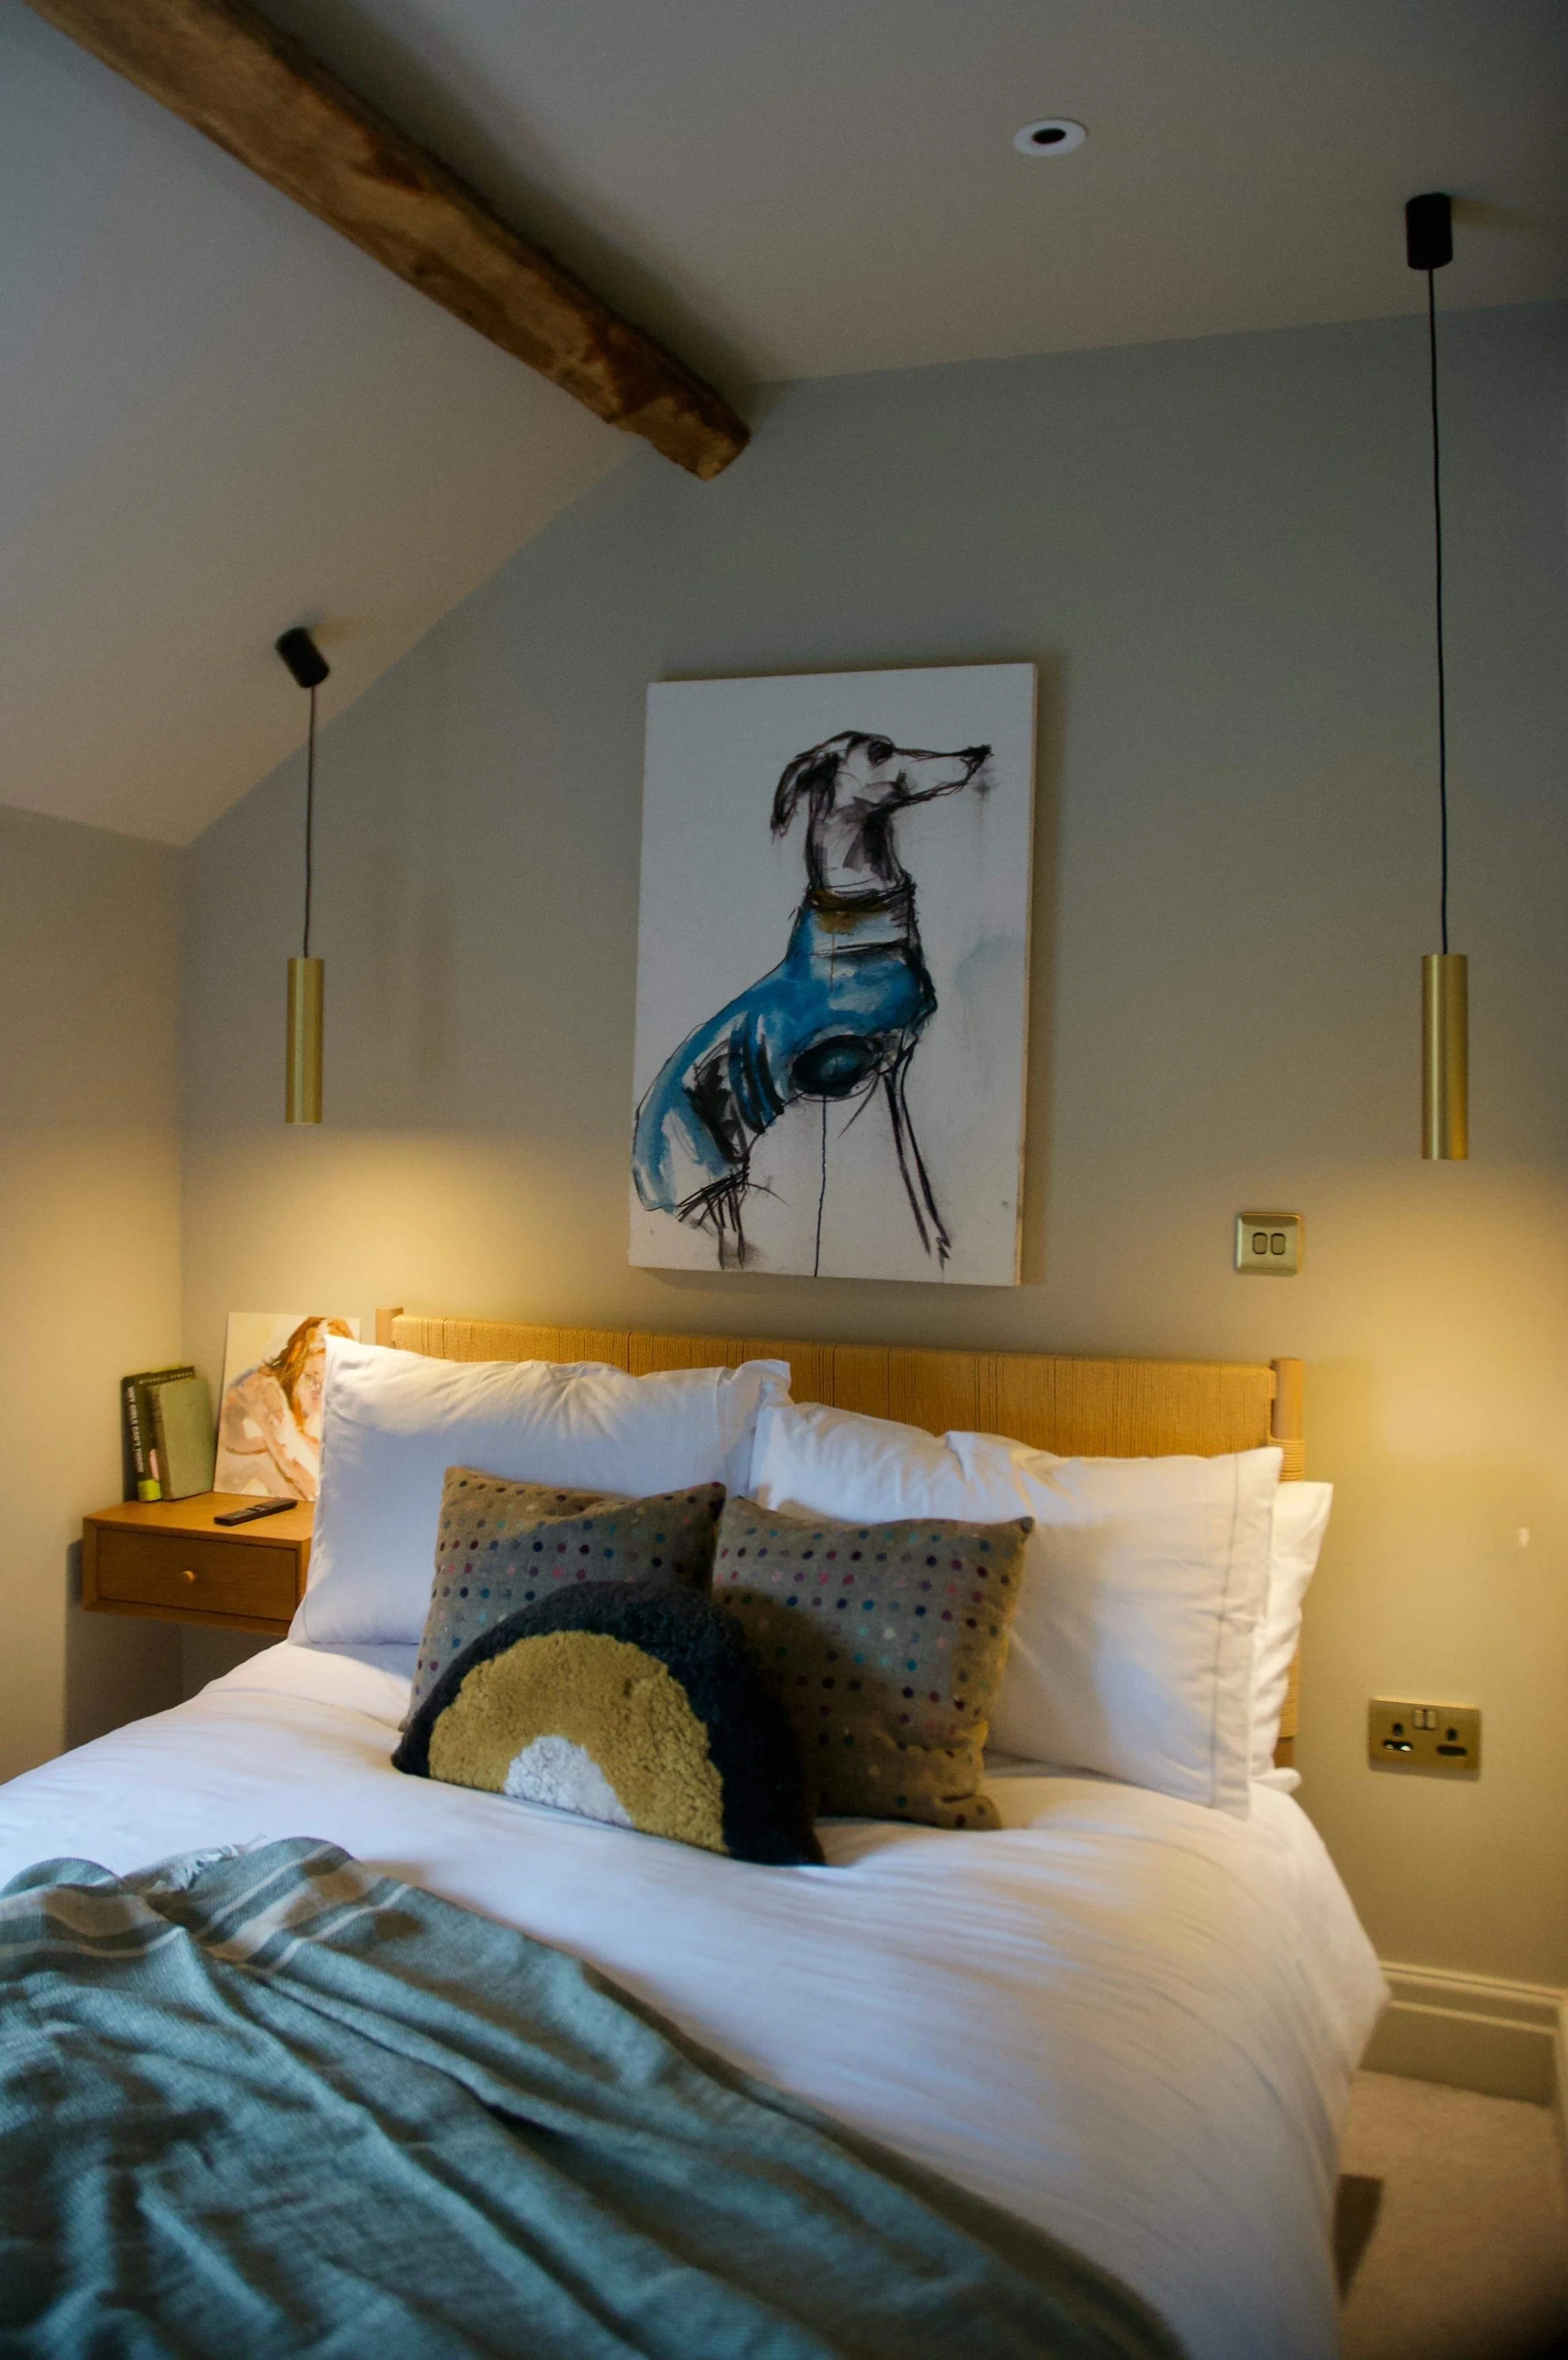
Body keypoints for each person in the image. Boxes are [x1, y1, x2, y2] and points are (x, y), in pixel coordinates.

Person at [218, 1316, 354, 1498]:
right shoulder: (265, 1390)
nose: (319, 1390)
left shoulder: (305, 1402)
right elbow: (290, 1458)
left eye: (330, 1380)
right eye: (311, 1376)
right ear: (295, 1363)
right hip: (236, 1491)